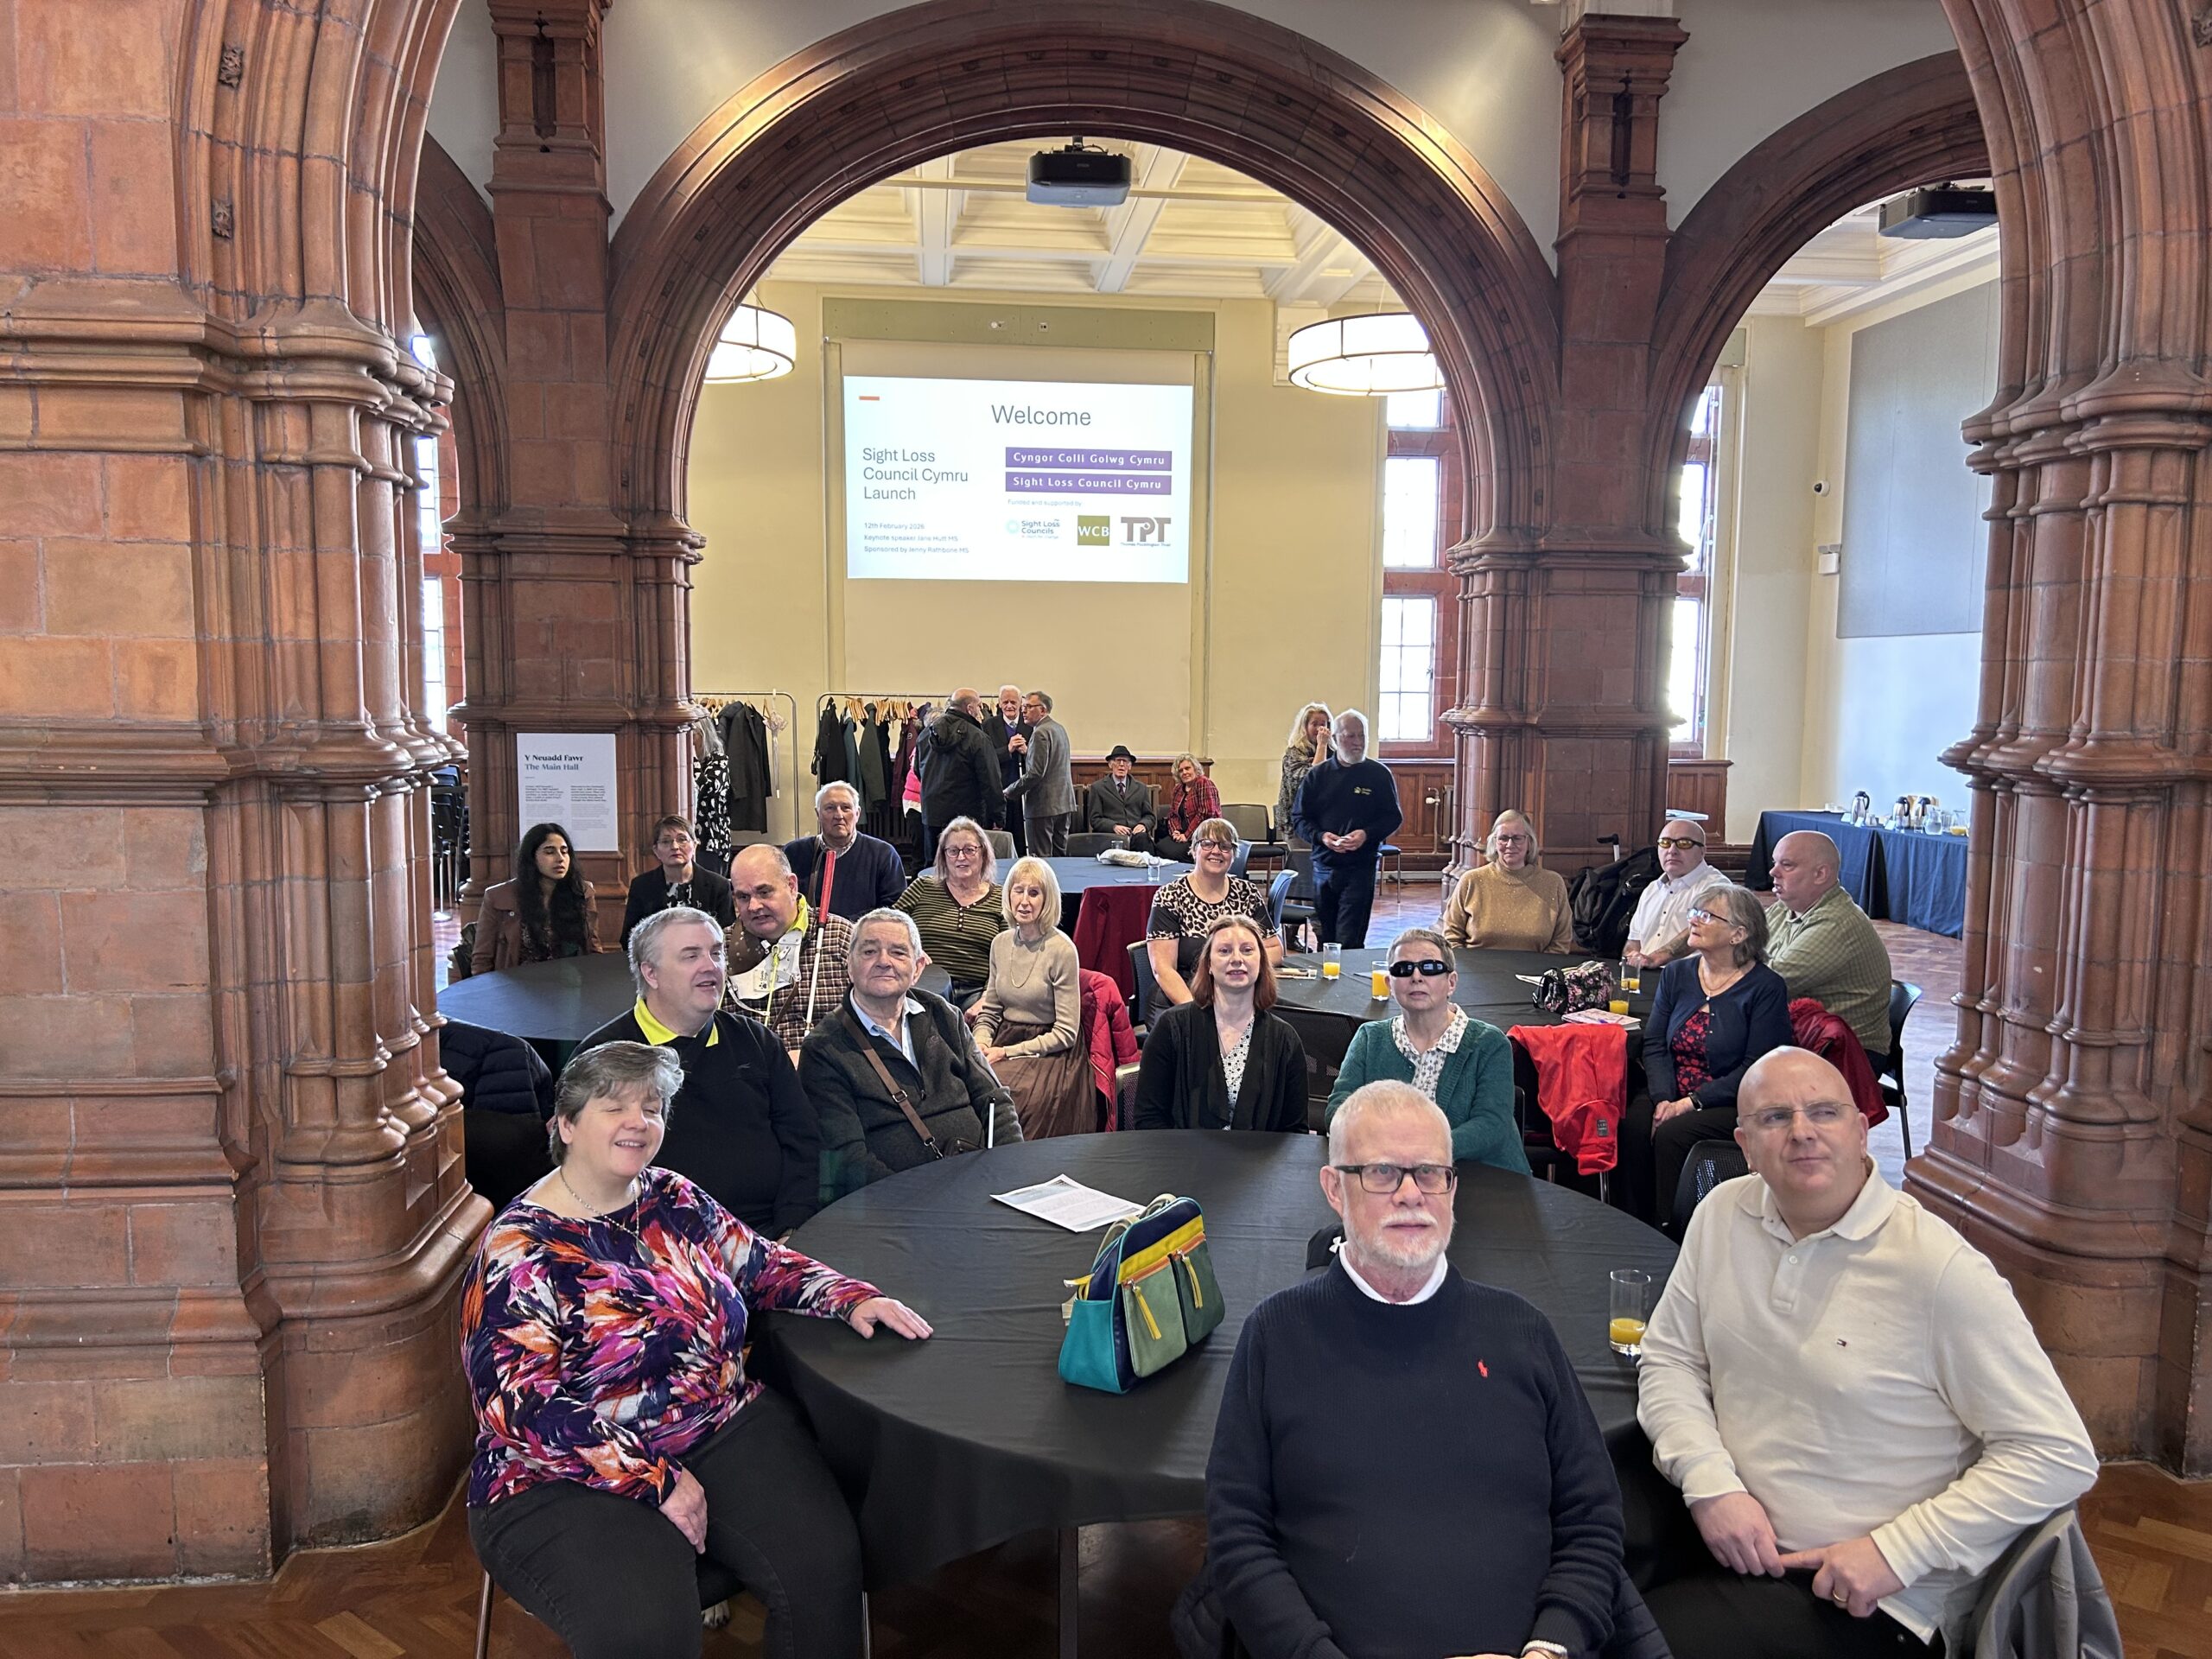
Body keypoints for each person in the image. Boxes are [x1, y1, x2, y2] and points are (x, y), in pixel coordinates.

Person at [461, 1041, 932, 1659]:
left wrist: (847, 1297)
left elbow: (759, 1263)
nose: (639, 1121)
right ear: (567, 1125)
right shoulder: (520, 1249)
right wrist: (653, 1480)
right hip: (563, 1475)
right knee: (646, 1631)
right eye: (614, 1107)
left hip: (718, 1423)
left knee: (824, 1567)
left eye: (652, 1107)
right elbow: (518, 1408)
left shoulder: (671, 1197)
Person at [1637, 1047, 2099, 1658]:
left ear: (1861, 1132)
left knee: (1630, 1640)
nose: (1802, 1132)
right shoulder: (1723, 1213)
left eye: (1824, 1112)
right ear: (1745, 1145)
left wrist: (1895, 1551)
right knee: (1559, 1565)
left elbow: (2057, 1453)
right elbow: (1671, 1359)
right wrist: (1710, 1485)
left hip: (1854, 1591)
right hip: (1721, 1522)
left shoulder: (1938, 1271)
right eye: (1776, 1118)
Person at [1199, 1080, 1630, 1659]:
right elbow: (1237, 1539)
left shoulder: (1522, 1332)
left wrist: (1551, 1647)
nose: (1411, 1195)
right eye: (1381, 1172)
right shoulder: (1274, 1338)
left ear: (1453, 1188)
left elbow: (1593, 1519)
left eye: (1430, 1173)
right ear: (1334, 1189)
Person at [575, 907, 819, 1237]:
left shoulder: (756, 1041)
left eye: (716, 953)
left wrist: (792, 1227)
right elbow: (585, 1175)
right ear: (651, 973)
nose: (711, 966)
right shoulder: (603, 1056)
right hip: (657, 1247)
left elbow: (802, 1141)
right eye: (691, 956)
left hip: (769, 1237)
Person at [800, 909, 1023, 1200]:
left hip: (984, 1187)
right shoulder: (824, 1049)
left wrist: (1011, 1172)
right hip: (899, 1210)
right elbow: (847, 1160)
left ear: (918, 968)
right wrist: (924, 1204)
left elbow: (996, 1102)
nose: (883, 962)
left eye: (898, 952)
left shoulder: (944, 1015)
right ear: (849, 966)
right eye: (869, 951)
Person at [1617, 885, 1793, 1228]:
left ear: (1738, 934)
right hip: (1673, 1089)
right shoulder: (1677, 974)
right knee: (1632, 1125)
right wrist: (1665, 1098)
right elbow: (1654, 1043)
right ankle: (1631, 1225)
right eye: (1695, 913)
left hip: (1731, 1098)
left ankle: (1672, 1230)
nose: (1693, 922)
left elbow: (1757, 1068)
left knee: (1673, 1134)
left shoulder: (1765, 987)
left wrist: (1691, 1103)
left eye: (1707, 916)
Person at [1324, 925, 1529, 1173]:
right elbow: (1338, 1108)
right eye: (1404, 969)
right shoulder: (1370, 1038)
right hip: (1391, 1179)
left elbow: (1491, 1125)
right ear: (1389, 983)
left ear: (1451, 982)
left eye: (1430, 968)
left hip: (1483, 1179)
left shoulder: (1490, 1043)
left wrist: (1416, 1152)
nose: (1416, 977)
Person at [1132, 914, 1308, 1133]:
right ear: (1209, 965)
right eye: (1224, 951)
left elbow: (1295, 1131)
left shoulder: (1285, 1039)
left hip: (1258, 1162)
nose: (1237, 959)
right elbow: (1148, 1118)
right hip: (1183, 1161)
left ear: (1262, 963)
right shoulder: (1171, 1028)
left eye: (1247, 950)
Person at [971, 857, 1090, 1139]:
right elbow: (990, 1010)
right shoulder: (1000, 943)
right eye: (1018, 890)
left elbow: (1065, 1034)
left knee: (1016, 1099)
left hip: (1049, 1048)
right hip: (1004, 1037)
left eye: (1034, 893)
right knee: (968, 1087)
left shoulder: (1062, 950)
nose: (1024, 901)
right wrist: (981, 1044)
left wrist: (1007, 1052)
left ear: (1047, 900)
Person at [1764, 830, 1895, 1064]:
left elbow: (1768, 984)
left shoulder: (1837, 923)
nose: (1773, 872)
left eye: (1787, 865)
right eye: (1775, 863)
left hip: (1845, 1053)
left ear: (1821, 874)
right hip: (1805, 1037)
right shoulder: (1785, 908)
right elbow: (1739, 944)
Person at [721, 843, 853, 1058]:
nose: (754, 906)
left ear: (792, 886)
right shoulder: (719, 949)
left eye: (764, 892)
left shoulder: (840, 937)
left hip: (828, 1078)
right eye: (743, 897)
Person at [1292, 709, 1402, 949]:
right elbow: (1299, 819)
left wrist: (1366, 834)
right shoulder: (1318, 776)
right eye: (1351, 736)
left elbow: (1393, 817)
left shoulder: (1379, 774)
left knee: (1349, 939)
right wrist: (1322, 837)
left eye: (1362, 736)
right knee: (1326, 939)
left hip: (1360, 867)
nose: (1358, 742)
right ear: (1335, 738)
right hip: (1324, 866)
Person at [1145, 816, 1282, 1007]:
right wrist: (1196, 1012)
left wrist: (1241, 968)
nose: (1216, 851)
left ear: (1233, 855)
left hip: (1237, 994)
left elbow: (1275, 949)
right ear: (1194, 850)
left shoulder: (1247, 893)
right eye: (1207, 844)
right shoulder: (1170, 896)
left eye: (1225, 846)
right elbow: (1163, 969)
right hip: (1183, 995)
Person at [893, 815, 1005, 1009]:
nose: (961, 857)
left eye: (969, 850)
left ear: (984, 854)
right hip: (924, 985)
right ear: (943, 856)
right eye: (953, 851)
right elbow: (889, 926)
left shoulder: (1002, 898)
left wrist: (987, 998)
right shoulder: (923, 887)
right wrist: (912, 948)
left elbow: (1006, 957)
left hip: (976, 991)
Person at [471, 821, 603, 974]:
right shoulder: (497, 897)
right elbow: (482, 959)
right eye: (549, 852)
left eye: (564, 851)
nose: (560, 858)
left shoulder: (582, 892)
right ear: (532, 857)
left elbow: (593, 949)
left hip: (568, 985)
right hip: (517, 986)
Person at [1439, 808, 1574, 953]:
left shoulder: (1552, 883)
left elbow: (1561, 942)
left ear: (1530, 842)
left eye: (1517, 838)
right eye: (1503, 838)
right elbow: (1451, 936)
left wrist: (1540, 973)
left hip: (1536, 973)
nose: (1510, 845)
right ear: (1494, 842)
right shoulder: (1472, 881)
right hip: (1477, 971)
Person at [785, 781, 906, 925]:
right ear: (818, 814)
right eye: (830, 808)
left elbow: (895, 909)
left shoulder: (884, 855)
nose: (839, 815)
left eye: (846, 808)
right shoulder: (794, 853)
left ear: (857, 813)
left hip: (861, 938)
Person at [1625, 817, 1729, 968]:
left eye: (1684, 844)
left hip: (1689, 980)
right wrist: (1632, 955)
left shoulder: (1717, 887)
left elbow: (1702, 929)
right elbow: (1634, 941)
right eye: (1665, 843)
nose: (1672, 850)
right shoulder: (1652, 889)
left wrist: (1655, 959)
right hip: (1646, 975)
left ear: (1702, 851)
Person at [620, 814, 735, 948]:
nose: (674, 846)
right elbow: (630, 936)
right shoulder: (642, 886)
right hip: (658, 960)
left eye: (682, 839)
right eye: (666, 841)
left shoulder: (719, 886)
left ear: (695, 845)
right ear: (656, 850)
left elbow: (726, 935)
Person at [918, 688, 1001, 865]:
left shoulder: (925, 735)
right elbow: (990, 781)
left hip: (932, 814)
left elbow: (918, 772)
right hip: (967, 817)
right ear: (970, 708)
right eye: (979, 706)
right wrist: (998, 816)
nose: (981, 711)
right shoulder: (978, 738)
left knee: (935, 867)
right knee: (966, 865)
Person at [1005, 689, 1077, 856]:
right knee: (1061, 857)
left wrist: (1010, 790)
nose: (1023, 710)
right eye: (1023, 706)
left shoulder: (1040, 733)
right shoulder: (1059, 729)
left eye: (1029, 707)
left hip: (1043, 806)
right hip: (1063, 802)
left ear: (1043, 710)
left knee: (1041, 860)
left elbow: (1035, 773)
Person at [987, 683, 1032, 857]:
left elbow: (1040, 760)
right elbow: (987, 759)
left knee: (1023, 840)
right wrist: (1008, 749)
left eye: (1013, 702)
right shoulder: (989, 725)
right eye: (1005, 702)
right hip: (1001, 790)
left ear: (1021, 703)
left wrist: (1027, 752)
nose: (1009, 706)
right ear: (999, 704)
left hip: (1025, 792)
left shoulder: (1030, 724)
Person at [1084, 743, 1157, 849]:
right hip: (1110, 836)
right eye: (1118, 761)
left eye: (1125, 761)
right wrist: (1114, 827)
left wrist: (1143, 825)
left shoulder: (1141, 788)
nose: (1122, 765)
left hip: (1136, 836)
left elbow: (1149, 816)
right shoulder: (1098, 788)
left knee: (1144, 843)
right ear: (1110, 764)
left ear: (1130, 766)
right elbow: (1095, 819)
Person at [1276, 701, 1332, 838]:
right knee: (1303, 859)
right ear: (1305, 727)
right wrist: (1322, 746)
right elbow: (1310, 781)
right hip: (1297, 823)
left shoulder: (1333, 753)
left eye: (1323, 724)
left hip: (1325, 822)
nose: (1319, 729)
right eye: (1315, 724)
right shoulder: (1294, 753)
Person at [1155, 753, 1221, 862]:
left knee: (1173, 853)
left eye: (1187, 768)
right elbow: (1172, 815)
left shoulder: (1204, 783)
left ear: (1195, 769)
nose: (1184, 772)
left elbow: (1206, 813)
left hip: (1203, 835)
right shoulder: (1178, 789)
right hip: (1182, 835)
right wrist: (1176, 832)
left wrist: (1187, 836)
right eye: (1181, 771)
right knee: (1160, 847)